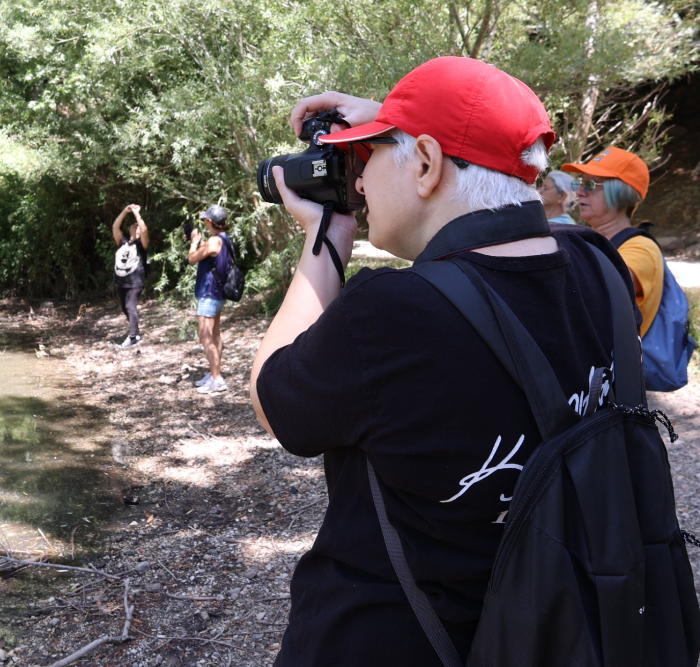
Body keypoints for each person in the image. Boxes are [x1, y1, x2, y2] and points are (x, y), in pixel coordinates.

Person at [248, 57, 643, 666]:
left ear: (427, 165)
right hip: (563, 628)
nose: (357, 182)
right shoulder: (597, 266)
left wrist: (325, 242)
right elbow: (491, 179)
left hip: (397, 643)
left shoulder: (393, 315)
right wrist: (398, 125)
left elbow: (274, 400)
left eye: (373, 156)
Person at [562, 147, 660, 336]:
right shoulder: (592, 239)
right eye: (580, 183)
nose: (580, 192)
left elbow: (595, 291)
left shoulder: (642, 248)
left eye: (591, 185)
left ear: (621, 193)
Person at [188, 204, 231, 394]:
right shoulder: (224, 238)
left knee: (205, 336)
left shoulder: (213, 241)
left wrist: (194, 241)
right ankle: (214, 373)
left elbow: (192, 258)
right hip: (218, 293)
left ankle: (217, 379)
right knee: (214, 335)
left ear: (210, 222)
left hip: (209, 294)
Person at [111, 203, 149, 348]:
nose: (134, 226)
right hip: (121, 280)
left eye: (136, 226)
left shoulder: (141, 244)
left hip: (135, 281)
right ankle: (136, 333)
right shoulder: (123, 241)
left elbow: (144, 230)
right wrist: (125, 211)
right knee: (124, 308)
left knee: (130, 306)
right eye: (132, 225)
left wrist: (137, 214)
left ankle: (133, 336)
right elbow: (115, 227)